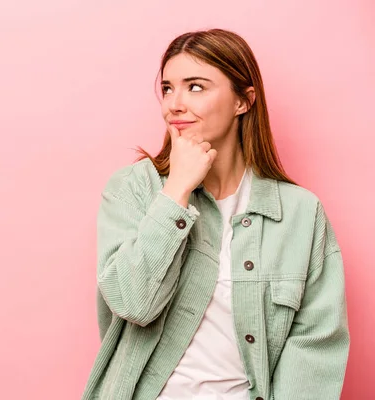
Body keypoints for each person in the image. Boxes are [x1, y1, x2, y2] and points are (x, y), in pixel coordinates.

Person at [82, 28, 349, 400]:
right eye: (167, 88)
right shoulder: (134, 188)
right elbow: (132, 303)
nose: (173, 104)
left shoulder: (300, 214)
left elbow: (315, 347)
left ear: (243, 100)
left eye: (195, 87)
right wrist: (176, 191)